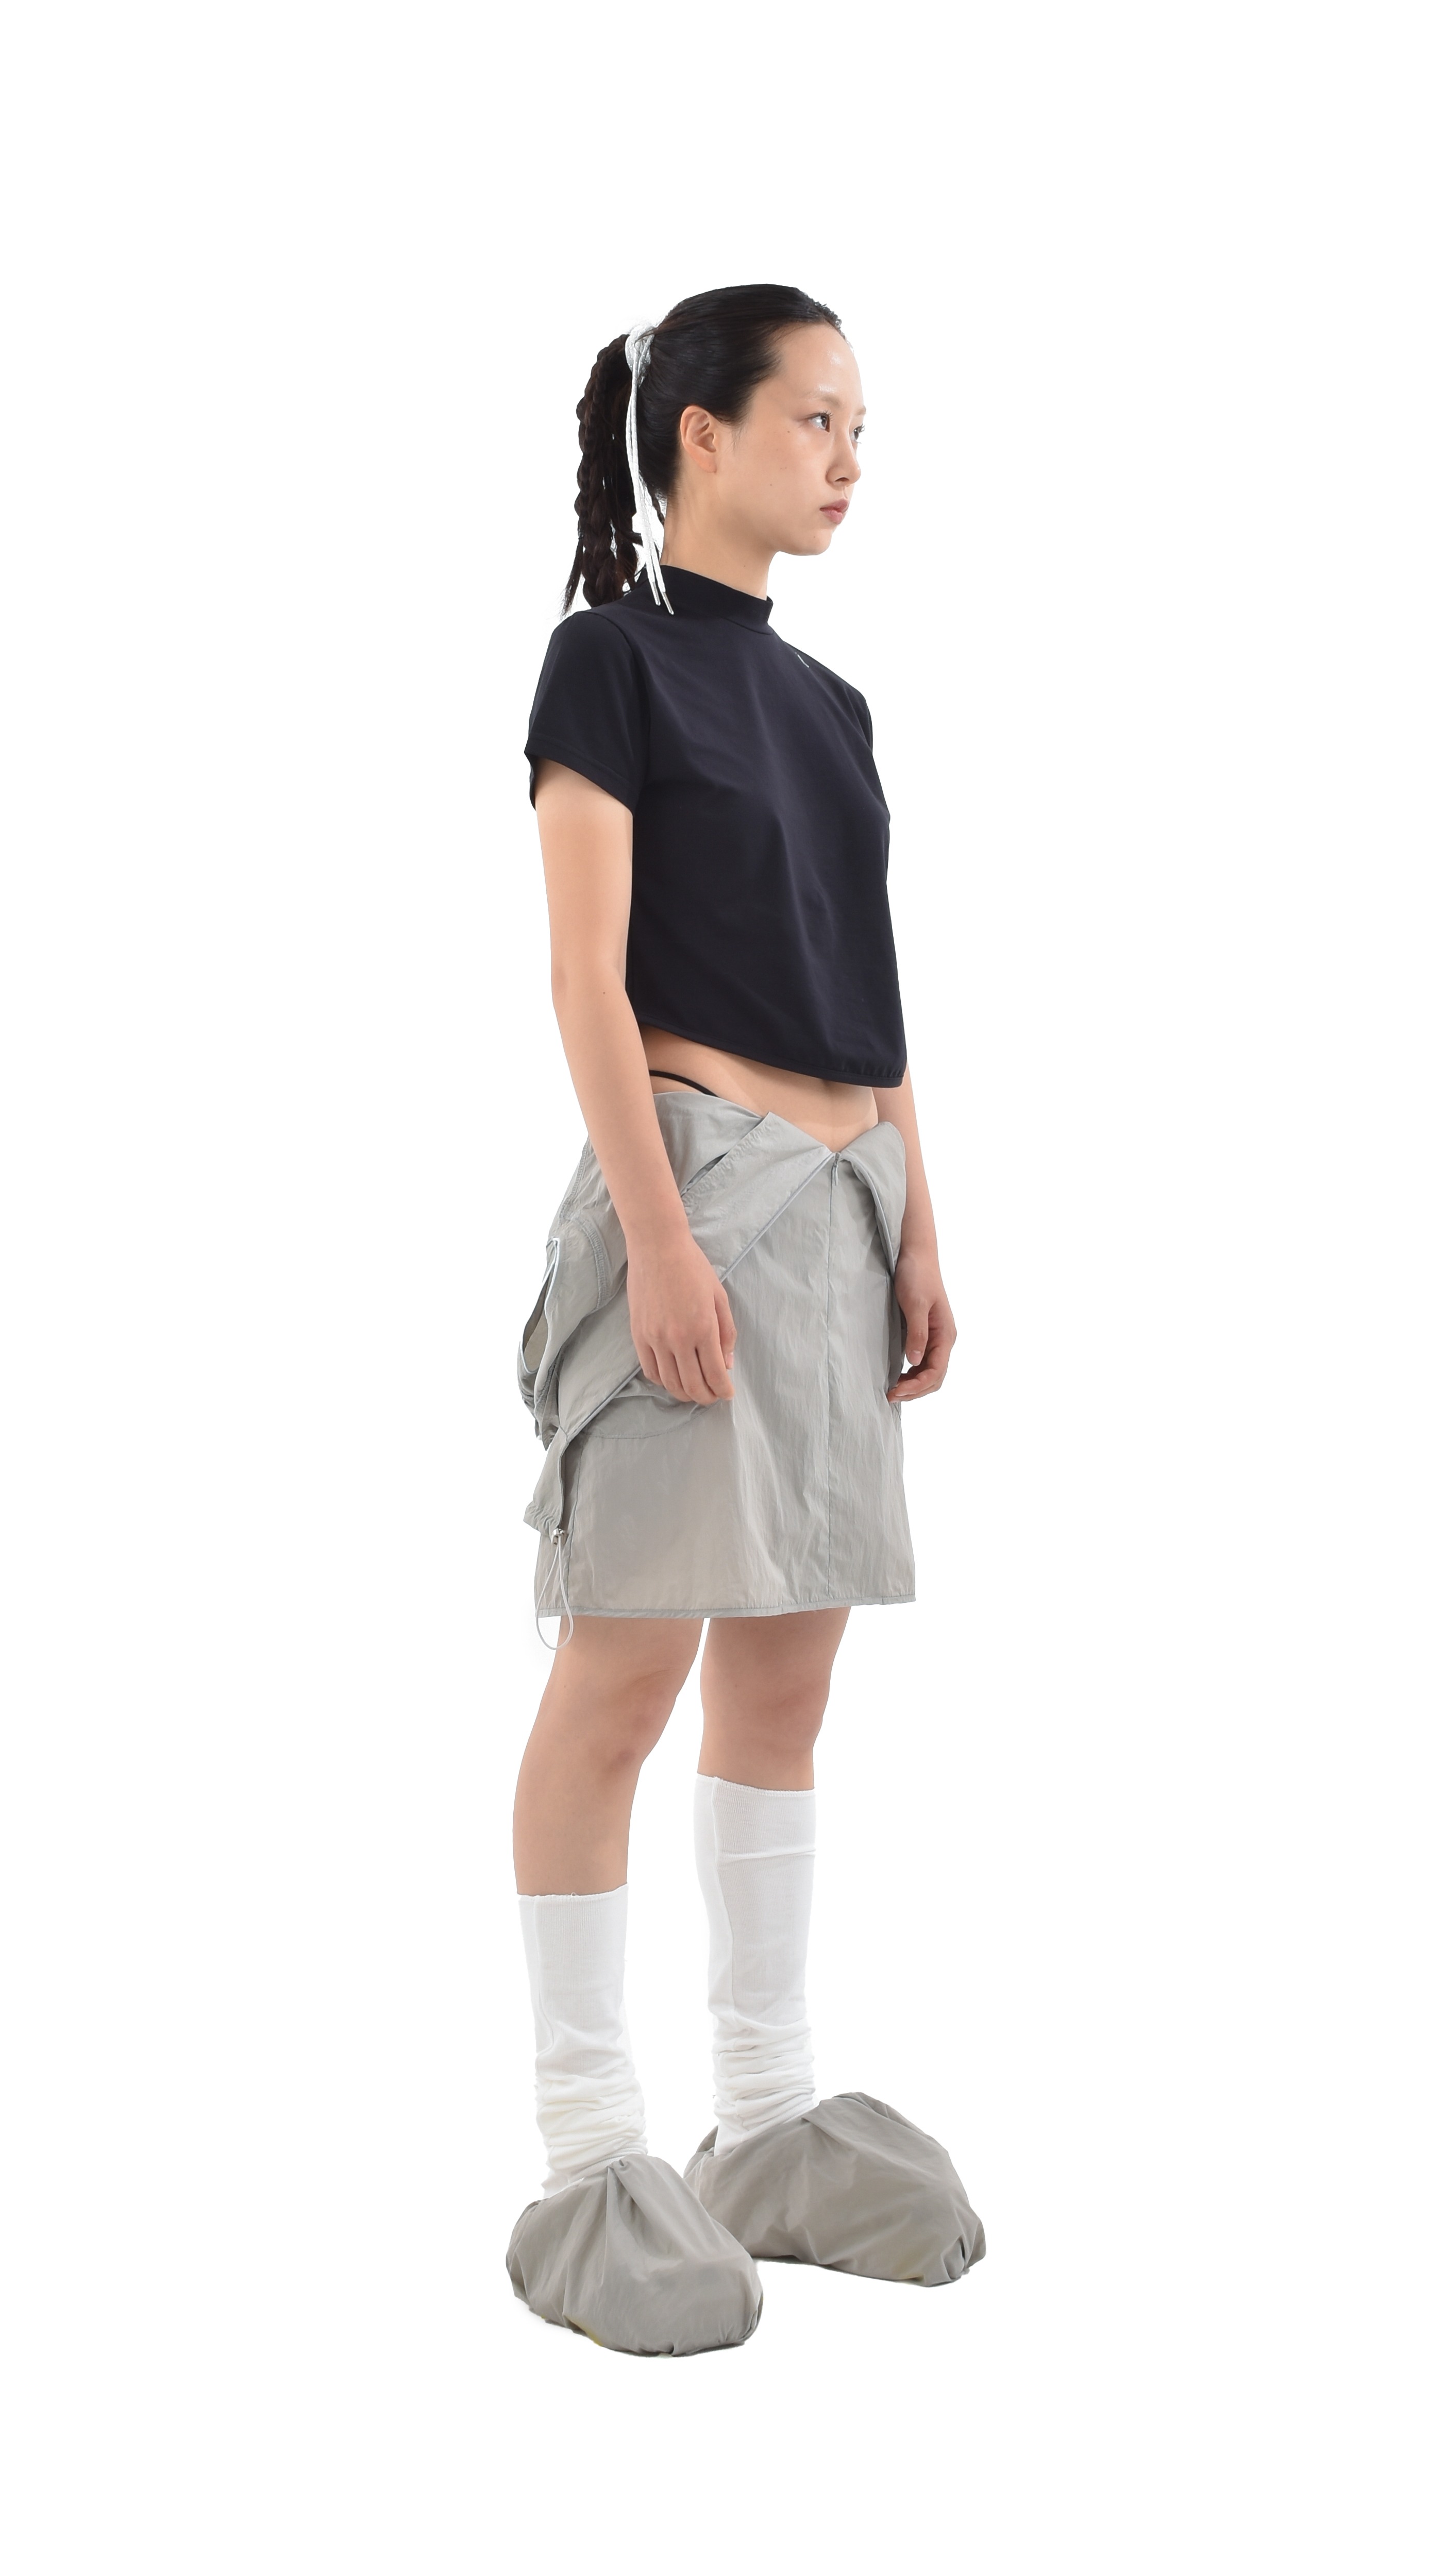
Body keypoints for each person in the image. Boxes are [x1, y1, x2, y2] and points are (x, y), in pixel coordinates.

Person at [506, 286, 985, 2357]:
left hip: (843, 1205)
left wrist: (921, 1216)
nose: (849, 459)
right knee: (624, 1671)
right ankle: (590, 2155)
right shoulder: (603, 663)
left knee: (786, 1682)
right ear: (698, 433)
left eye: (862, 427)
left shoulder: (834, 706)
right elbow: (586, 980)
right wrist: (654, 1236)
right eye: (815, 418)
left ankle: (768, 2117)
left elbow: (870, 978)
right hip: (695, 1195)